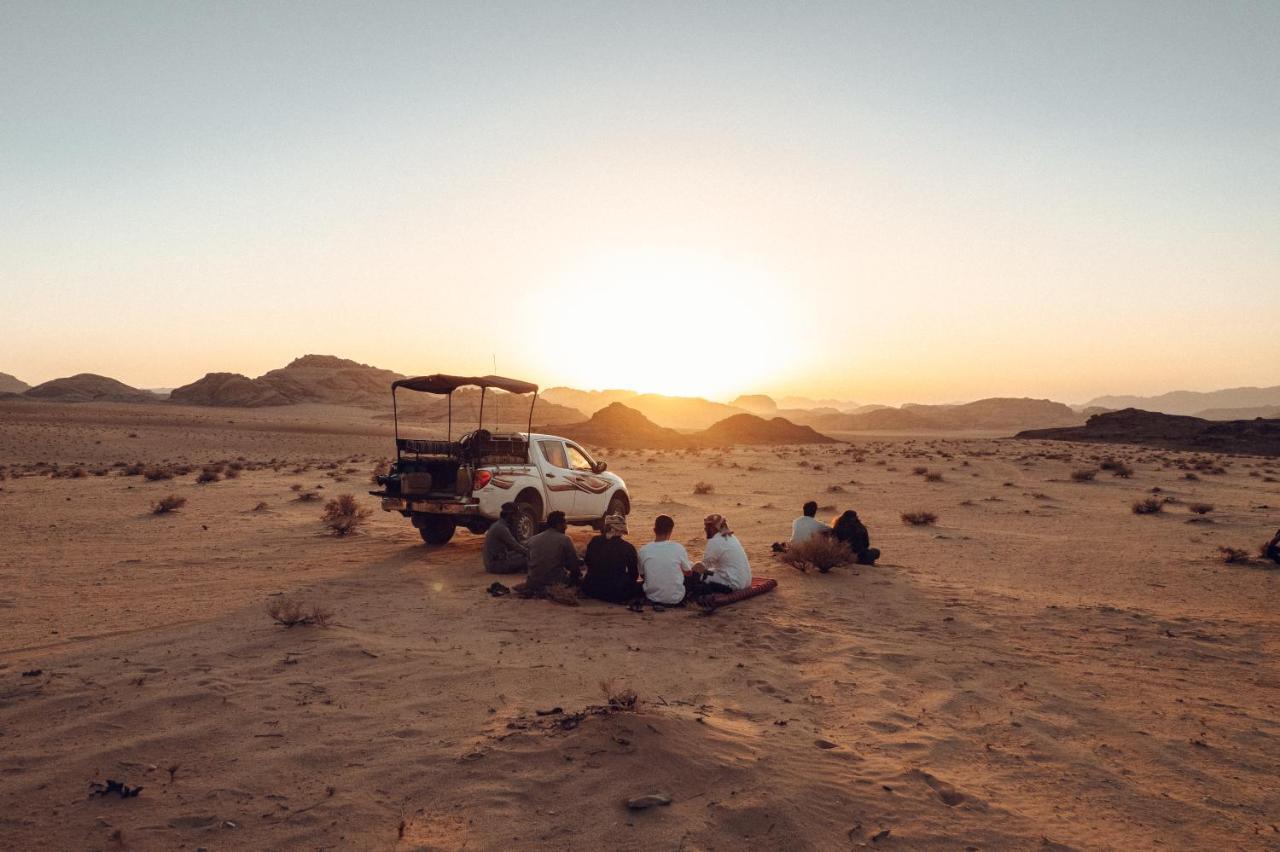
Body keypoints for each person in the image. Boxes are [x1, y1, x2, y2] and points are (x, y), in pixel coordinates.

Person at [582, 514, 641, 604]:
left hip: (592, 590)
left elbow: (588, 562)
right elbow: (634, 574)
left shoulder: (595, 541)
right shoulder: (628, 547)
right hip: (616, 593)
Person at [521, 510, 582, 595]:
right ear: (558, 524)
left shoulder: (533, 539)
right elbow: (574, 565)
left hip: (532, 583)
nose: (566, 527)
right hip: (554, 582)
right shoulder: (565, 539)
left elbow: (529, 562)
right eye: (565, 523)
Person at [637, 514, 693, 605]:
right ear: (670, 531)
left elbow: (643, 575)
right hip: (677, 598)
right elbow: (689, 573)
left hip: (652, 597)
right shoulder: (678, 548)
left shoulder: (643, 550)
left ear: (654, 530)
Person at [691, 513, 751, 594]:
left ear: (714, 527)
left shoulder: (714, 541)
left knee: (699, 576)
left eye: (707, 526)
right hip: (746, 582)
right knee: (709, 571)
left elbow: (705, 566)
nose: (705, 529)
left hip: (733, 584)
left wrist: (692, 568)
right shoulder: (732, 537)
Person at [484, 502, 528, 574]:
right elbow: (515, 546)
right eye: (515, 516)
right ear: (509, 515)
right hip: (495, 565)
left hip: (494, 561)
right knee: (528, 559)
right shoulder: (501, 528)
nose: (516, 519)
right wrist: (530, 553)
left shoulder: (498, 525)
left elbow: (515, 545)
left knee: (520, 554)